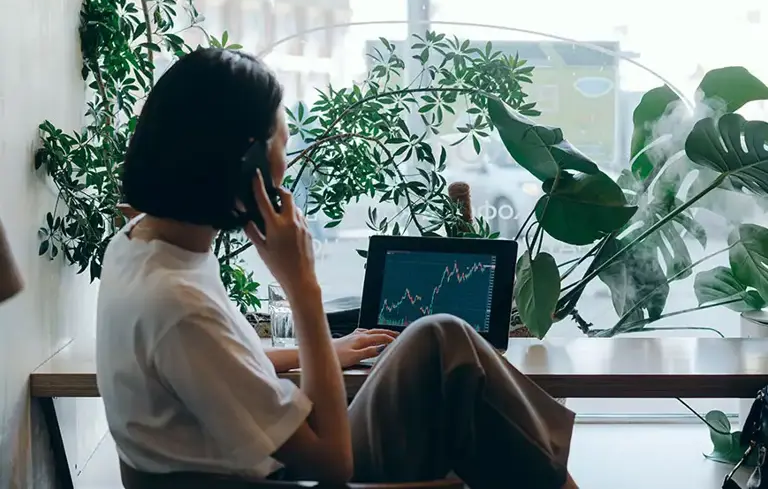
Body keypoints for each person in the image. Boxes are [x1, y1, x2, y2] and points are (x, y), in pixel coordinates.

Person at [96, 48, 579, 489]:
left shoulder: (141, 244)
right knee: (475, 420)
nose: (288, 160)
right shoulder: (179, 304)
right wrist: (303, 288)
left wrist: (330, 349)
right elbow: (331, 463)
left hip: (257, 463)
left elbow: (218, 362)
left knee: (441, 340)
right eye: (283, 143)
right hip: (288, 478)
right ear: (249, 169)